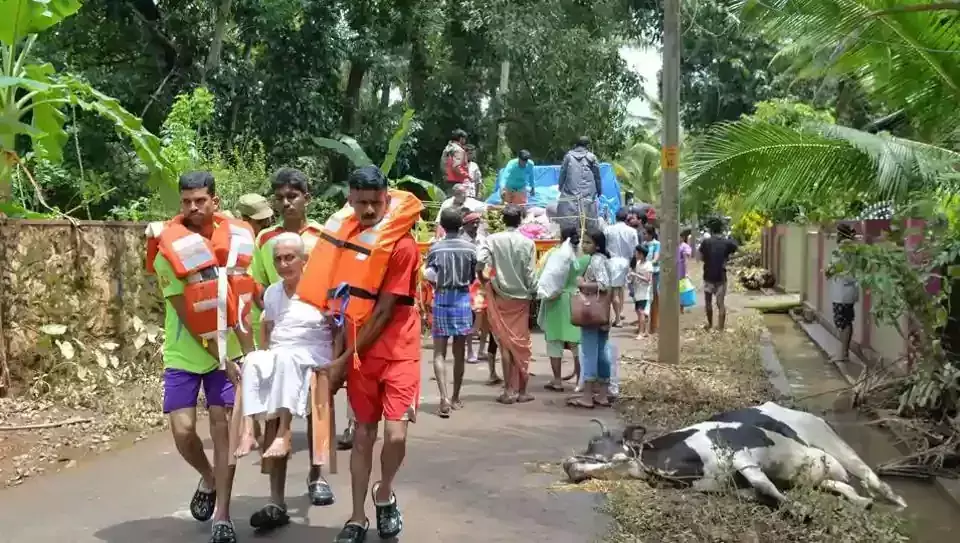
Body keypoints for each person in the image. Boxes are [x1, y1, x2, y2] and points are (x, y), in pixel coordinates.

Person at [295, 165, 423, 543]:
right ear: (350, 200)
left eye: (376, 202)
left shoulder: (402, 246)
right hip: (358, 355)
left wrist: (339, 362)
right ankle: (356, 517)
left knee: (396, 437)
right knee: (364, 433)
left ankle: (384, 493)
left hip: (398, 350)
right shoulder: (343, 243)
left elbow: (383, 312)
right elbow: (338, 307)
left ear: (387, 199)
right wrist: (336, 357)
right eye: (361, 202)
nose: (369, 210)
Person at [145, 171, 255, 543]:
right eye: (187, 201)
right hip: (186, 355)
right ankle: (208, 477)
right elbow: (189, 316)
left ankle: (222, 516)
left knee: (224, 432)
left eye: (200, 201)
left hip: (230, 355)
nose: (193, 208)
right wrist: (219, 353)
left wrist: (249, 354)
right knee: (184, 431)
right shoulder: (167, 255)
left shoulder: (238, 244)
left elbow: (244, 302)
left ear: (215, 202)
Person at [236, 233, 340, 532]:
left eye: (289, 257)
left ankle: (307, 464)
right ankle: (249, 432)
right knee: (254, 360)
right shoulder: (271, 292)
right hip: (282, 352)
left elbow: (337, 331)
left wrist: (335, 368)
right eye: (278, 259)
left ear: (304, 260)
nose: (283, 264)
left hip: (313, 352)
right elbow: (268, 329)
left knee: (285, 359)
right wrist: (263, 353)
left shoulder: (323, 289)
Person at [477, 204, 537, 404]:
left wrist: (483, 278)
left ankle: (508, 391)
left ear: (503, 220)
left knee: (504, 342)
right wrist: (534, 291)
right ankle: (522, 391)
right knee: (521, 343)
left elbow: (480, 261)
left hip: (500, 295)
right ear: (520, 220)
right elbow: (530, 274)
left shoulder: (492, 240)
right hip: (521, 299)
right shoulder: (528, 243)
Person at [425, 208, 478, 417]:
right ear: (462, 224)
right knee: (459, 352)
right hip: (462, 299)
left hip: (442, 299)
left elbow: (430, 274)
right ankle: (455, 397)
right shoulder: (470, 248)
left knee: (439, 352)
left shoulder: (435, 249)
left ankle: (443, 398)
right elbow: (473, 276)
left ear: (443, 227)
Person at [567, 228, 613, 409]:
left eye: (588, 242)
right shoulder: (604, 260)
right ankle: (602, 393)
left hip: (591, 312)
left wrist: (583, 284)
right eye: (583, 242)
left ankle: (587, 395)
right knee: (602, 351)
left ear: (597, 245)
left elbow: (603, 285)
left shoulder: (595, 261)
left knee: (589, 352)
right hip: (602, 311)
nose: (584, 245)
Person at [538, 225, 587, 392]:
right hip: (574, 300)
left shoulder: (554, 255)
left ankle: (557, 381)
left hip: (555, 301)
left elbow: (542, 275)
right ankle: (580, 381)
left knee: (554, 343)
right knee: (576, 343)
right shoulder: (583, 258)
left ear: (561, 237)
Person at [556, 136, 602, 233]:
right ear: (587, 146)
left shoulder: (568, 156)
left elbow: (563, 172)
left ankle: (570, 235)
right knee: (588, 218)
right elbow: (597, 176)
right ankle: (588, 236)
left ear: (576, 145)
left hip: (571, 192)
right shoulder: (591, 157)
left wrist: (560, 186)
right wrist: (599, 190)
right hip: (588, 193)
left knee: (570, 216)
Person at [699, 219, 738, 331]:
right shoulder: (726, 242)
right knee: (720, 303)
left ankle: (710, 325)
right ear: (721, 229)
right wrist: (727, 259)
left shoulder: (706, 242)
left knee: (708, 302)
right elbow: (738, 250)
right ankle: (720, 328)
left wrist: (708, 260)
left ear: (711, 230)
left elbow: (701, 257)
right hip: (721, 276)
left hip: (708, 276)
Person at [605, 208, 639, 326]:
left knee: (614, 291)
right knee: (620, 289)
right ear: (626, 218)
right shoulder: (631, 231)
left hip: (612, 261)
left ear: (616, 217)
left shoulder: (608, 230)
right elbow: (636, 249)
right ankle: (620, 313)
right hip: (625, 262)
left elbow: (604, 246)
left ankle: (618, 318)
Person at [830, 224, 859, 362]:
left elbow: (840, 269)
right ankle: (842, 352)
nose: (836, 236)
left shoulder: (846, 250)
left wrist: (831, 270)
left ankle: (844, 353)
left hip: (844, 291)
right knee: (842, 322)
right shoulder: (846, 249)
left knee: (844, 322)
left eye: (837, 234)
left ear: (841, 235)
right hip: (842, 291)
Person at [629, 244, 652, 338]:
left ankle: (641, 332)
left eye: (637, 253)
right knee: (639, 311)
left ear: (642, 254)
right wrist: (631, 279)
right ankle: (644, 330)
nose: (635, 254)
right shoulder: (638, 264)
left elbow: (648, 279)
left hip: (644, 292)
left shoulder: (648, 265)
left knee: (641, 311)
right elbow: (635, 276)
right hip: (638, 291)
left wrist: (635, 275)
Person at [642, 224, 661, 332]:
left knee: (654, 296)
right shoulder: (643, 244)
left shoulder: (656, 244)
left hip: (654, 272)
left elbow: (656, 257)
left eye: (645, 233)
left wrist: (649, 263)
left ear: (651, 234)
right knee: (644, 297)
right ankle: (644, 323)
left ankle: (654, 324)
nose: (643, 235)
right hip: (644, 272)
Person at [678, 228, 693, 313]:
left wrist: (687, 272)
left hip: (682, 272)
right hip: (674, 271)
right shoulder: (674, 246)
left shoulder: (685, 246)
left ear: (682, 238)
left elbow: (686, 259)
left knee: (682, 290)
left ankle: (681, 308)